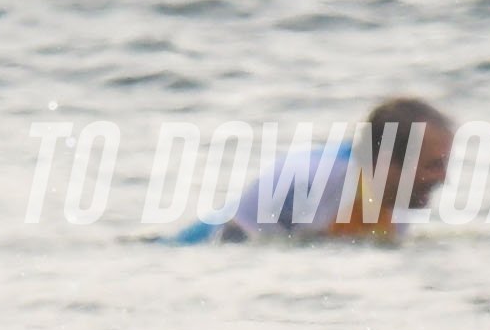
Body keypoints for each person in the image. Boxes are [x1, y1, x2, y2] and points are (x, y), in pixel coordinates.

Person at [186, 96, 460, 240]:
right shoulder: (308, 178)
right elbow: (232, 243)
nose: (443, 178)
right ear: (387, 161)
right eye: (434, 165)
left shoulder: (397, 201)